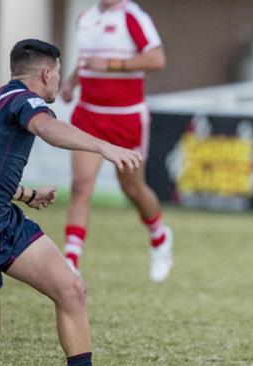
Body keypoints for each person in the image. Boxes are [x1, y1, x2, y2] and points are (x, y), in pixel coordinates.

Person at [0, 39, 142, 366]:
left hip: (5, 218)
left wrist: (25, 194)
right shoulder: (25, 101)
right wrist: (104, 146)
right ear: (47, 74)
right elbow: (48, 127)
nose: (61, 80)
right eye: (60, 73)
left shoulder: (3, 97)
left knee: (70, 289)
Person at [60, 0, 172, 282]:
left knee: (132, 188)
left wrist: (112, 65)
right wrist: (72, 82)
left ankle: (159, 237)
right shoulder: (85, 18)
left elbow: (157, 59)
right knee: (81, 185)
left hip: (125, 118)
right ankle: (70, 262)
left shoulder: (133, 17)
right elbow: (87, 59)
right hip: (88, 114)